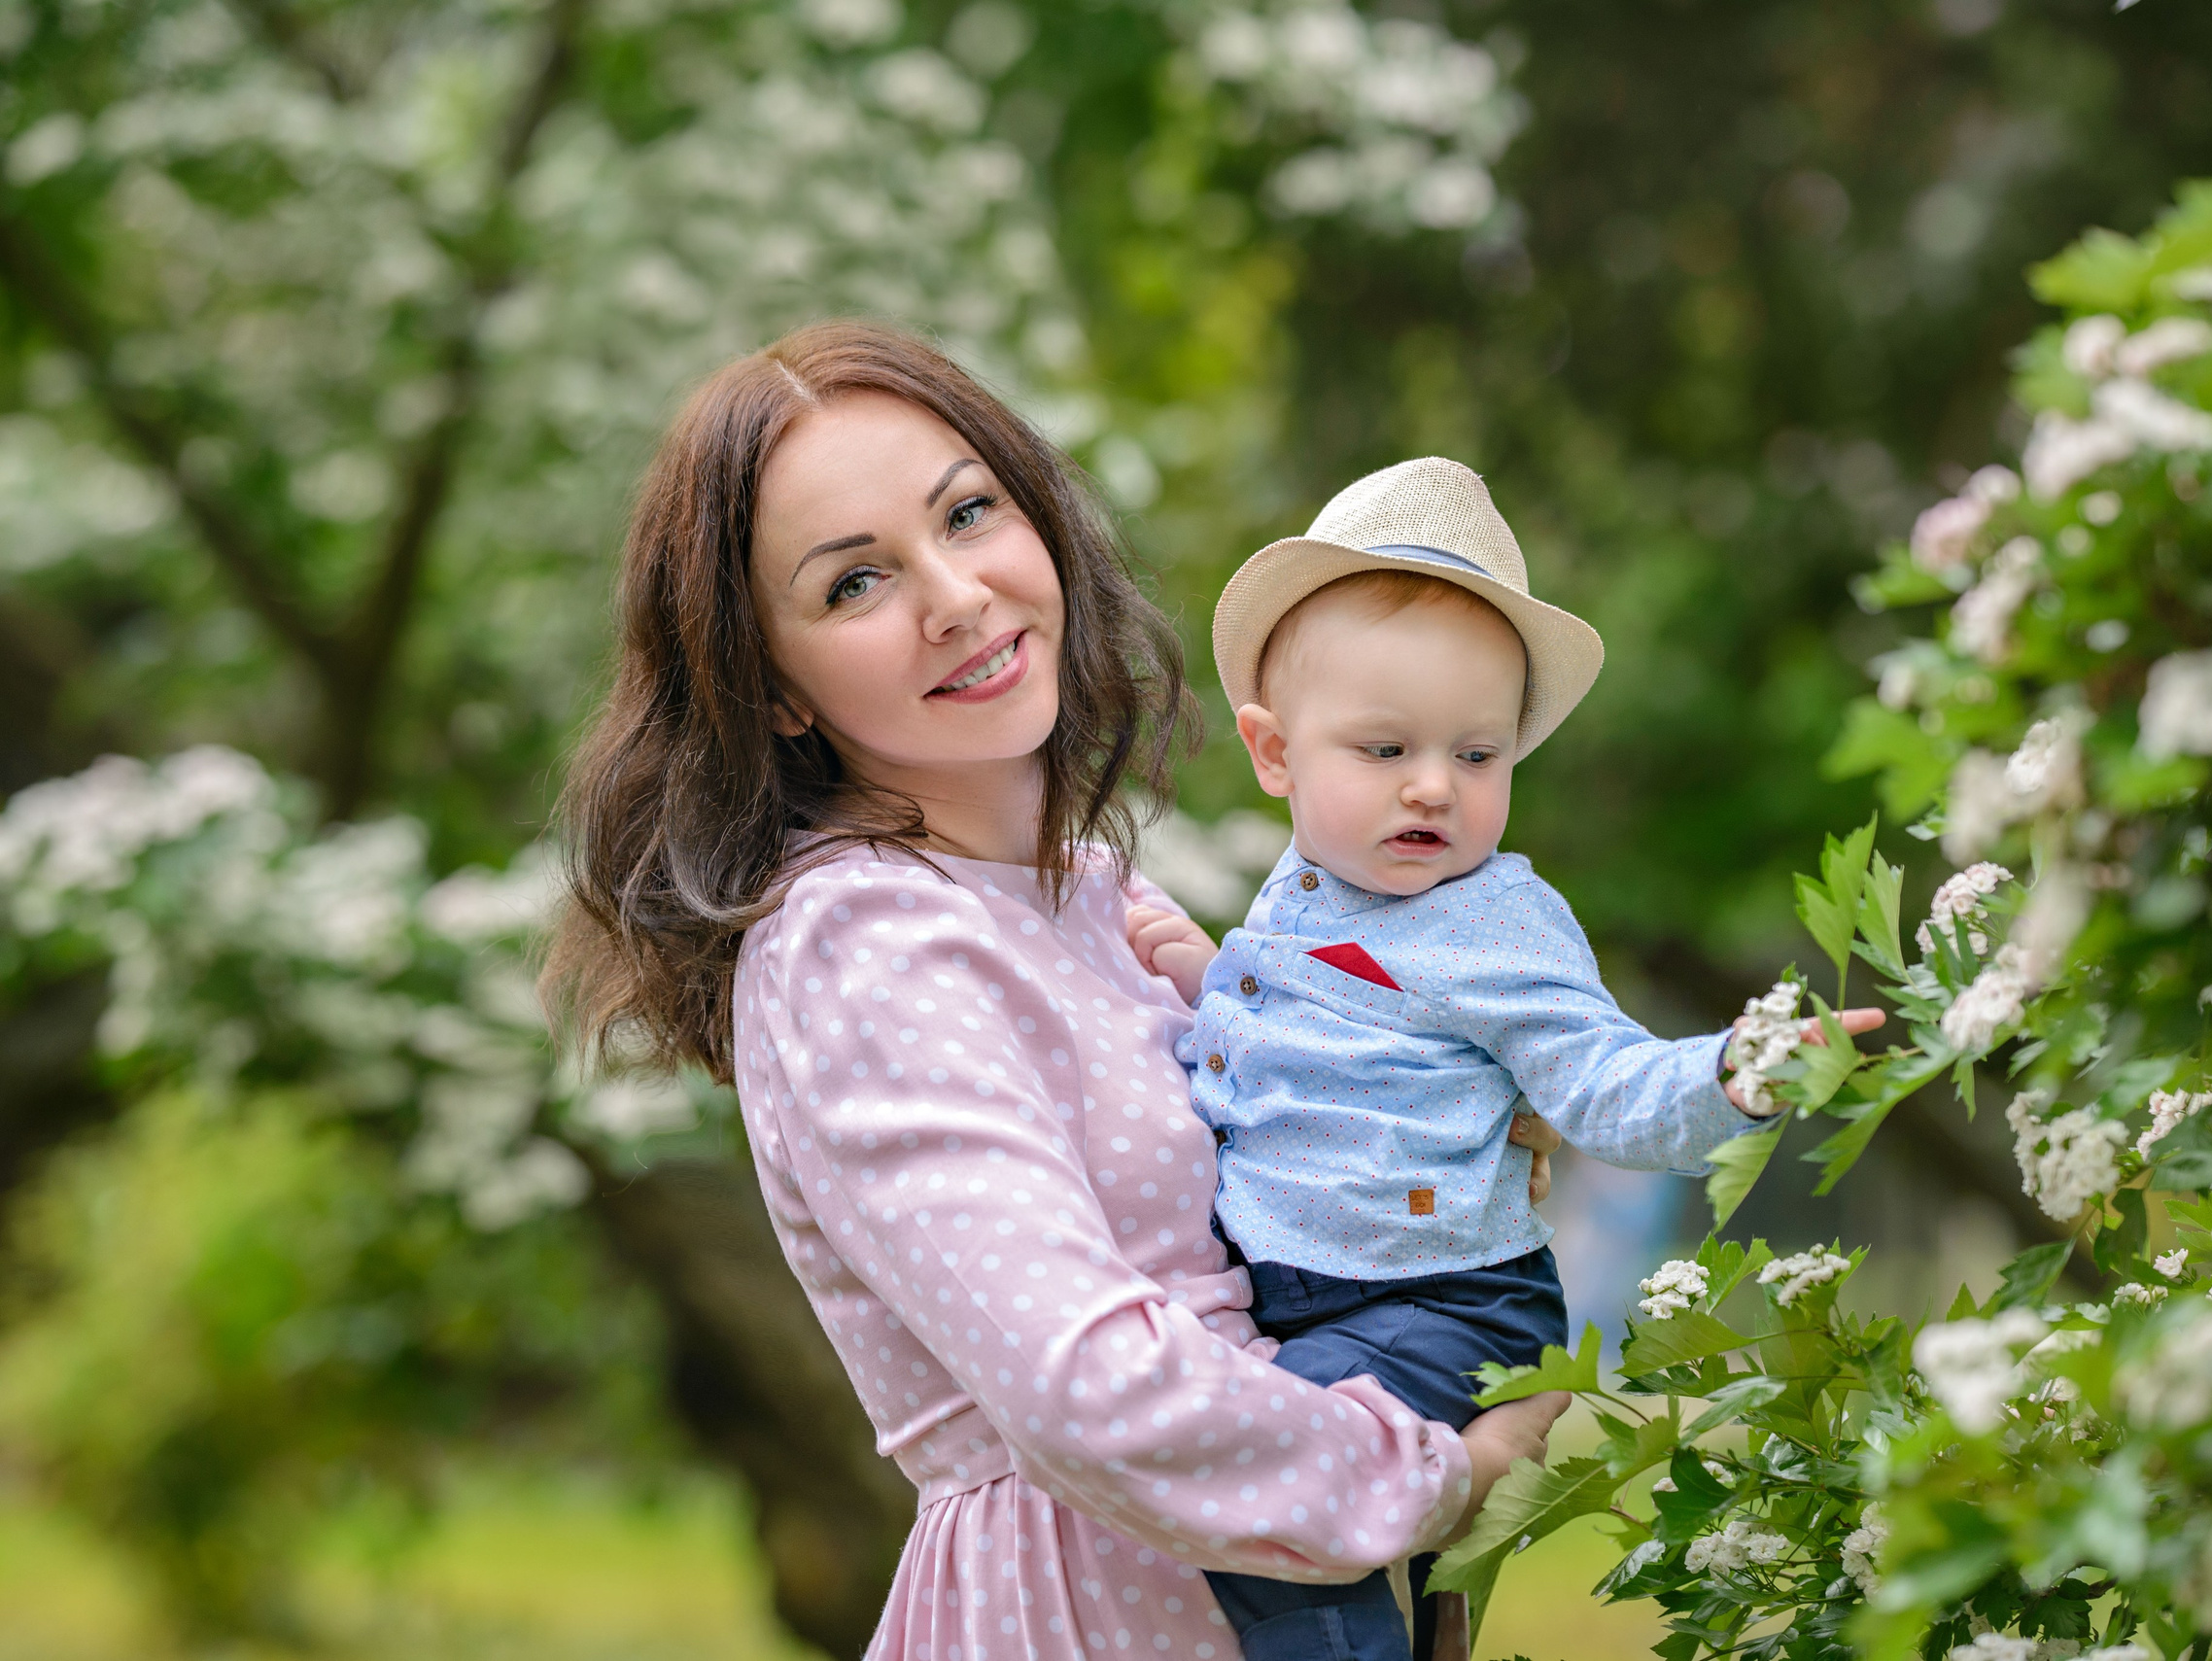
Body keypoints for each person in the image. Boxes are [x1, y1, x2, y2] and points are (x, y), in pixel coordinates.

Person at [543, 324, 1571, 1661]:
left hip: (1278, 1576)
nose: (957, 596)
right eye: (855, 583)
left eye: (968, 512)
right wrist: (1433, 1475)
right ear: (775, 688)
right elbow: (1086, 1389)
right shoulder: (863, 943)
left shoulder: (1087, 896)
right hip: (1099, 1607)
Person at [1124, 458, 1884, 1661]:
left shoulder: (1495, 920)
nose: (1433, 785)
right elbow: (1324, 1043)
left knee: (1266, 1476)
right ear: (1275, 754)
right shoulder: (1305, 888)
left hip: (1439, 1299)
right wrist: (1206, 980)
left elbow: (1601, 1083)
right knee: (1405, 1565)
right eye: (1385, 749)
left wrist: (1734, 1071)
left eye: (1477, 756)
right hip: (1323, 1292)